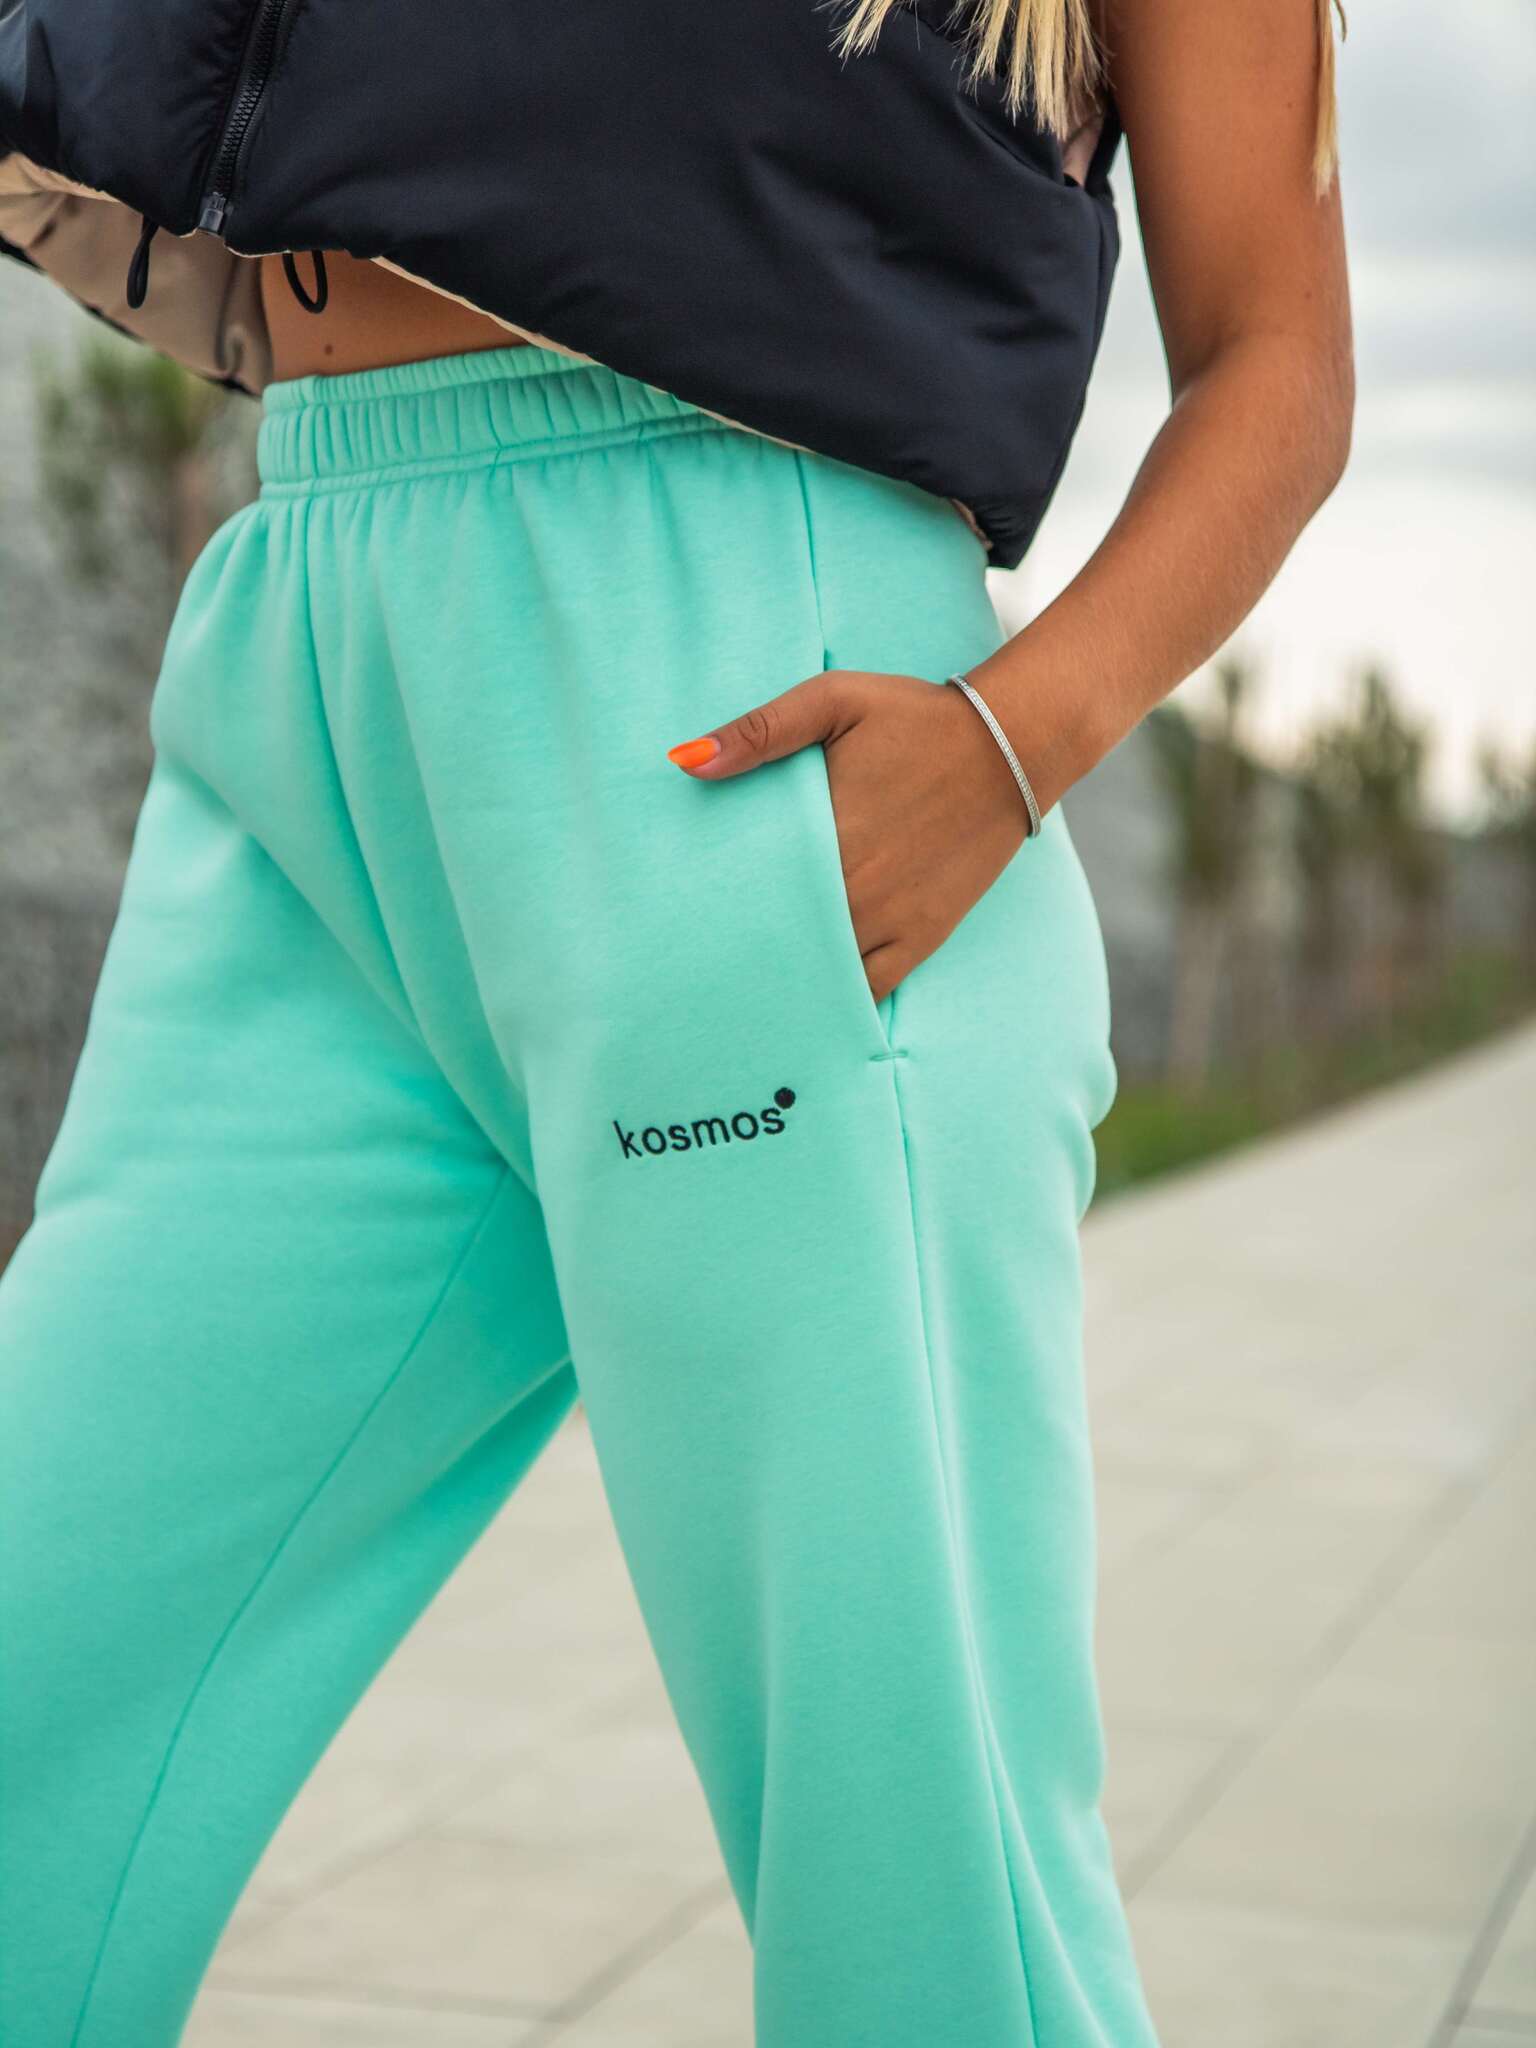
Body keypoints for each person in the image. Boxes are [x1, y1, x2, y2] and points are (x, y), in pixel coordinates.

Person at [0, 0, 1353, 2040]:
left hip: (740, 697)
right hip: (306, 648)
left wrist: (1010, 746)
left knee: (915, 1895)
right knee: (39, 1681)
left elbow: (1284, 353)